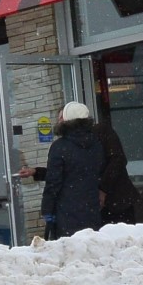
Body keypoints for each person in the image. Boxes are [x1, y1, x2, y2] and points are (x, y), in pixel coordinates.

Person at [40, 101, 104, 237]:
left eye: (61, 118)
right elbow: (98, 171)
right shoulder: (96, 143)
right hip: (91, 207)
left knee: (68, 246)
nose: (58, 120)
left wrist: (47, 209)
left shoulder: (60, 147)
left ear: (67, 121)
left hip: (66, 210)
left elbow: (53, 182)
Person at [96, 119, 138, 225]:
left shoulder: (101, 132)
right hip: (106, 204)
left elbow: (118, 160)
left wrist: (103, 189)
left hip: (118, 200)